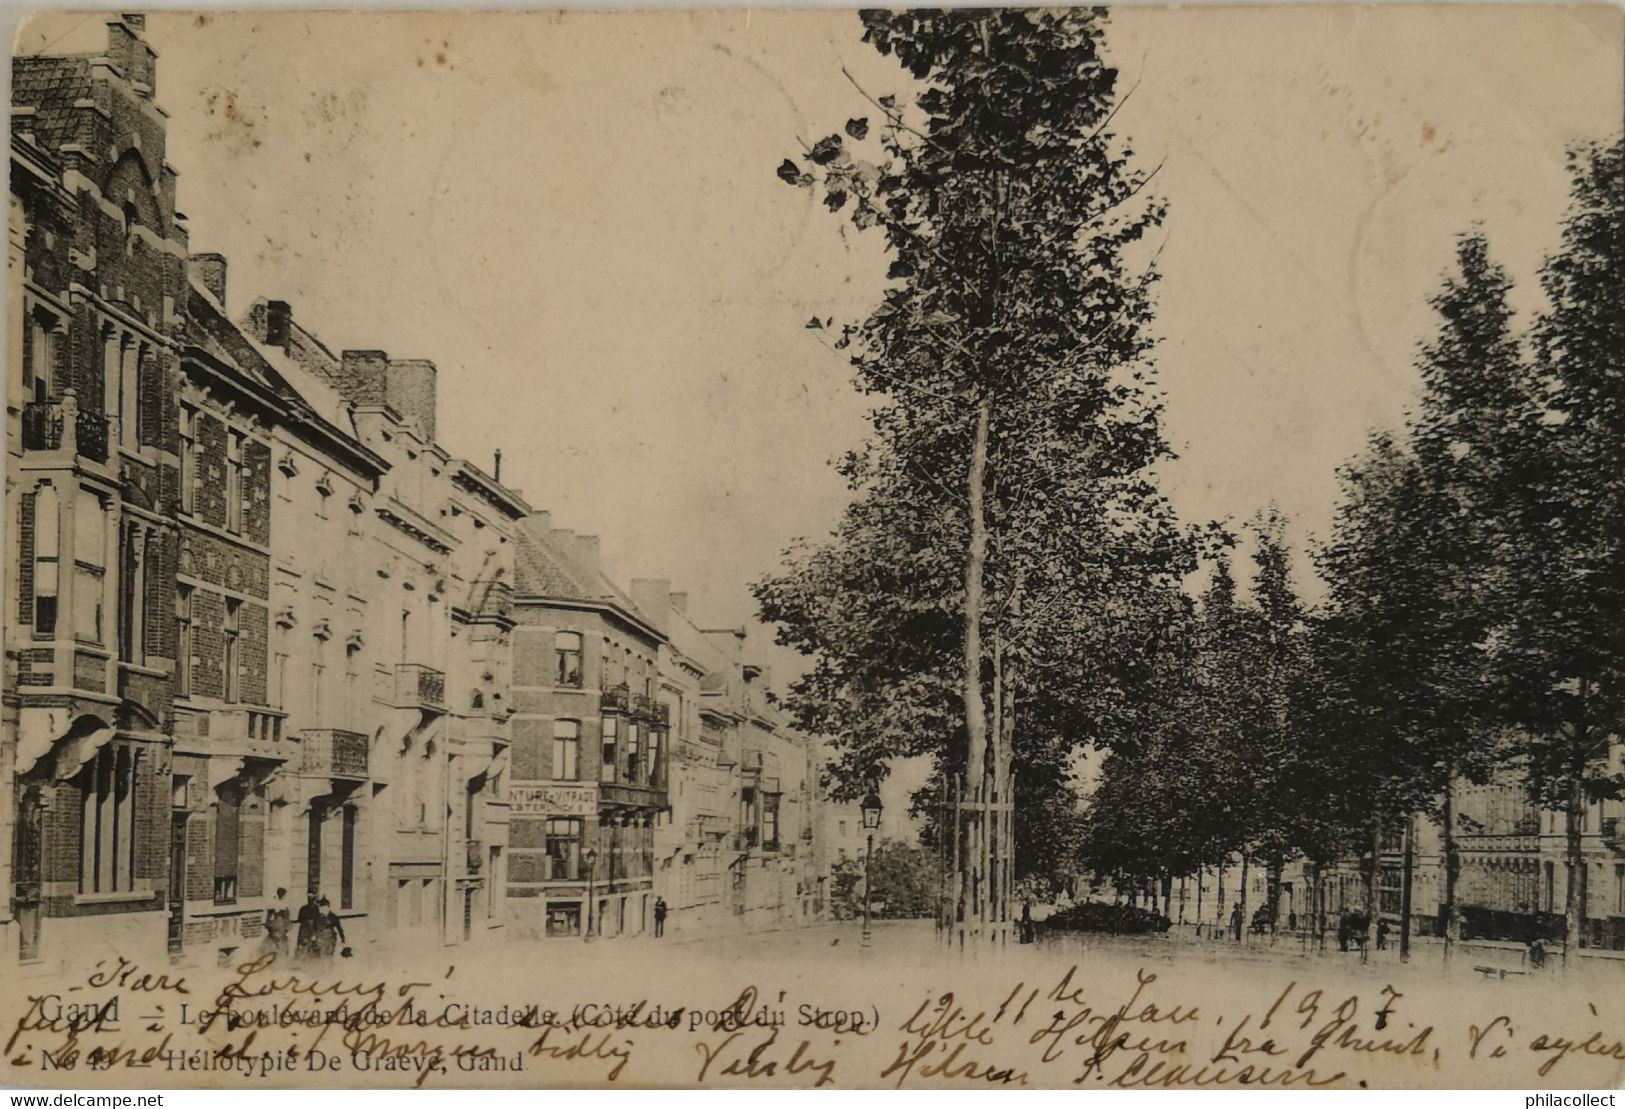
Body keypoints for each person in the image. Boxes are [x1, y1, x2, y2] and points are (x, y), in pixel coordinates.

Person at [263, 887, 292, 960]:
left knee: (272, 941)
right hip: (280, 926)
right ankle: (281, 959)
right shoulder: (284, 906)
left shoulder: (273, 904)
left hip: (273, 925)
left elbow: (269, 916)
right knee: (282, 943)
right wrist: (288, 927)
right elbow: (286, 918)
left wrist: (268, 924)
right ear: (284, 895)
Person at [295, 891, 322, 962]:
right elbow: (300, 919)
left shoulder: (315, 908)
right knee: (303, 949)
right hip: (305, 932)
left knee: (312, 950)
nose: (310, 899)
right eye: (309, 897)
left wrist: (316, 933)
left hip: (310, 931)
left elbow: (317, 921)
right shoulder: (304, 908)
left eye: (311, 897)